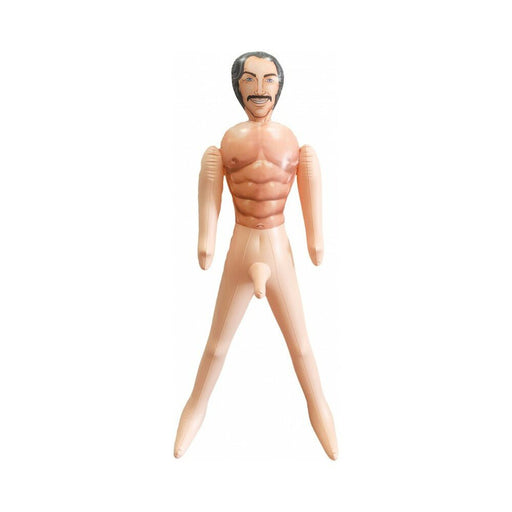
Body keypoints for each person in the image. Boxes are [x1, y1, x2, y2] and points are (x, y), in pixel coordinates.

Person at [174, 51, 338, 459]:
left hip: (278, 245)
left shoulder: (293, 142)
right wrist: (206, 239)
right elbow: (211, 189)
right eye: (249, 79)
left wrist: (316, 239)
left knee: (301, 346)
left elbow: (308, 182)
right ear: (238, 87)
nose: (260, 88)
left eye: (268, 79)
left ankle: (320, 411)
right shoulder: (225, 143)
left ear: (279, 86)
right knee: (217, 345)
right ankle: (195, 408)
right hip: (242, 243)